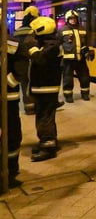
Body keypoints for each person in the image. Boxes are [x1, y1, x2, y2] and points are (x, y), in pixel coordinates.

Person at [28, 16, 64, 162]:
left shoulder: (51, 46)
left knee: (45, 118)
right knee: (45, 116)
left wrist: (33, 51)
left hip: (46, 87)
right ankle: (49, 141)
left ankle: (47, 147)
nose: (33, 34)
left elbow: (41, 60)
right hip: (43, 87)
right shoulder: (49, 43)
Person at [2, 17, 24, 186]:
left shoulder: (12, 43)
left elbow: (21, 69)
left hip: (8, 99)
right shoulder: (13, 43)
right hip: (9, 100)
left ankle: (9, 172)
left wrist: (6, 85)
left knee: (12, 135)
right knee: (12, 135)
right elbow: (22, 69)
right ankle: (8, 173)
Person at [59, 9, 94, 102]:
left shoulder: (82, 29)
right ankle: (68, 95)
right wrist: (59, 57)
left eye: (75, 18)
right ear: (67, 19)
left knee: (85, 77)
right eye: (71, 18)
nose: (73, 20)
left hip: (81, 58)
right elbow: (58, 44)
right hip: (68, 59)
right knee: (68, 78)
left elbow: (88, 42)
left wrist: (90, 51)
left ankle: (85, 94)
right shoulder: (62, 30)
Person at [12, 5, 40, 114]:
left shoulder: (17, 31)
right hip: (32, 60)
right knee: (35, 83)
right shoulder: (34, 31)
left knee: (25, 84)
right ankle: (36, 106)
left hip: (20, 62)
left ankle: (28, 107)